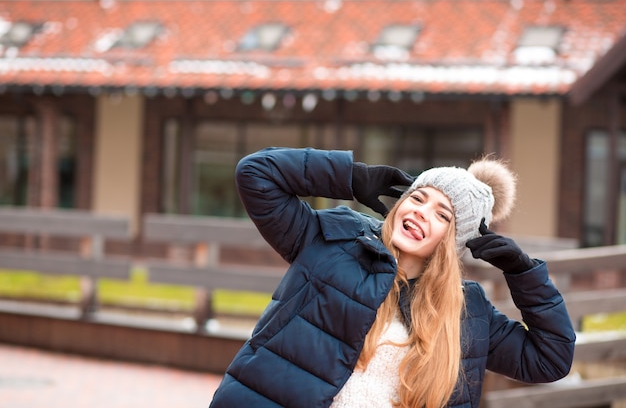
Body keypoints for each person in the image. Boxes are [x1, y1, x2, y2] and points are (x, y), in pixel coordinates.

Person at [209, 147, 576, 408]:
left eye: (442, 215)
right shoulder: (333, 241)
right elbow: (256, 173)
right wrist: (349, 177)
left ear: (454, 239)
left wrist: (523, 273)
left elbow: (551, 359)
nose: (421, 213)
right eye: (417, 197)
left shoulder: (467, 312)